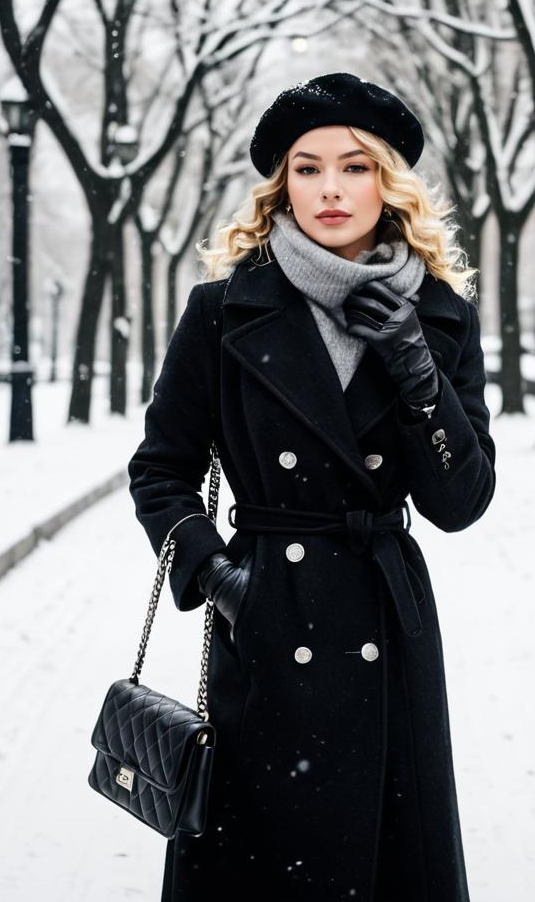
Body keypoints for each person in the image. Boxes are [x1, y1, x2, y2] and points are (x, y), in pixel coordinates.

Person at [127, 72, 496, 901]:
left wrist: (415, 370)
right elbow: (161, 470)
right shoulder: (224, 311)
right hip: (266, 620)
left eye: (355, 167)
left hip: (384, 623)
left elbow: (461, 502)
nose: (331, 188)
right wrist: (219, 579)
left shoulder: (441, 317)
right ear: (283, 186)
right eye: (308, 167)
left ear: (387, 183)